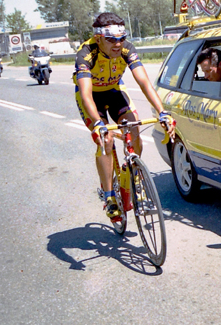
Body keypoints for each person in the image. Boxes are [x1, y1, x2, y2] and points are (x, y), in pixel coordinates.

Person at [74, 12, 175, 220]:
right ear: (99, 39)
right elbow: (85, 95)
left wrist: (162, 112)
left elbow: (144, 82)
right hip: (92, 97)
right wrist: (98, 124)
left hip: (114, 90)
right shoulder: (86, 54)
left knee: (134, 128)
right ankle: (109, 195)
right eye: (112, 40)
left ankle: (133, 173)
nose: (118, 44)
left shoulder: (127, 48)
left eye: (121, 38)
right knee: (106, 139)